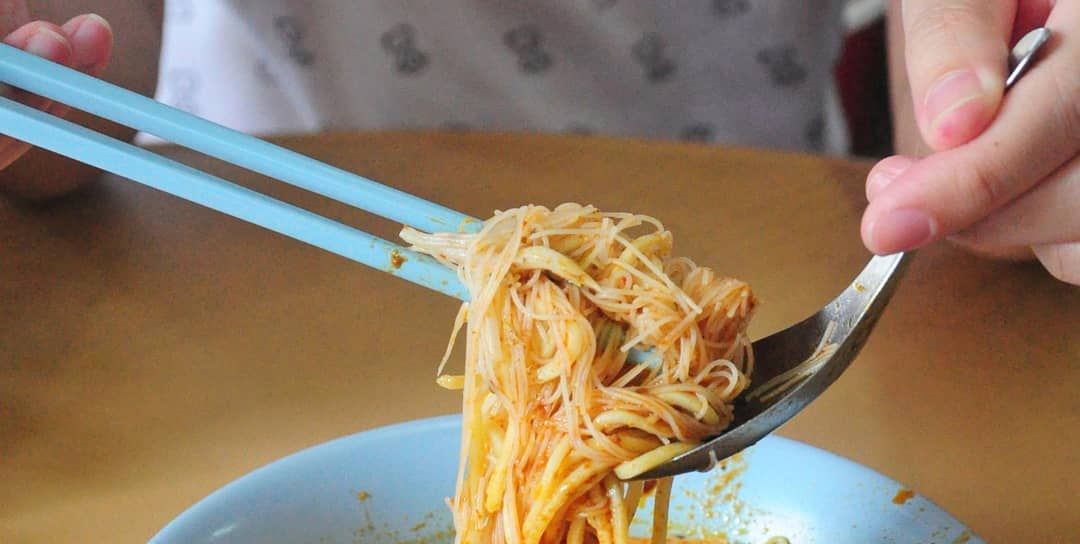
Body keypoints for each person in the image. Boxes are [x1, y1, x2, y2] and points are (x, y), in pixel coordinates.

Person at [1, 1, 1076, 284]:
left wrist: (996, 147)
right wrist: (34, 73)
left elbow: (957, 79)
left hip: (764, 261)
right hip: (222, 268)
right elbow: (69, 126)